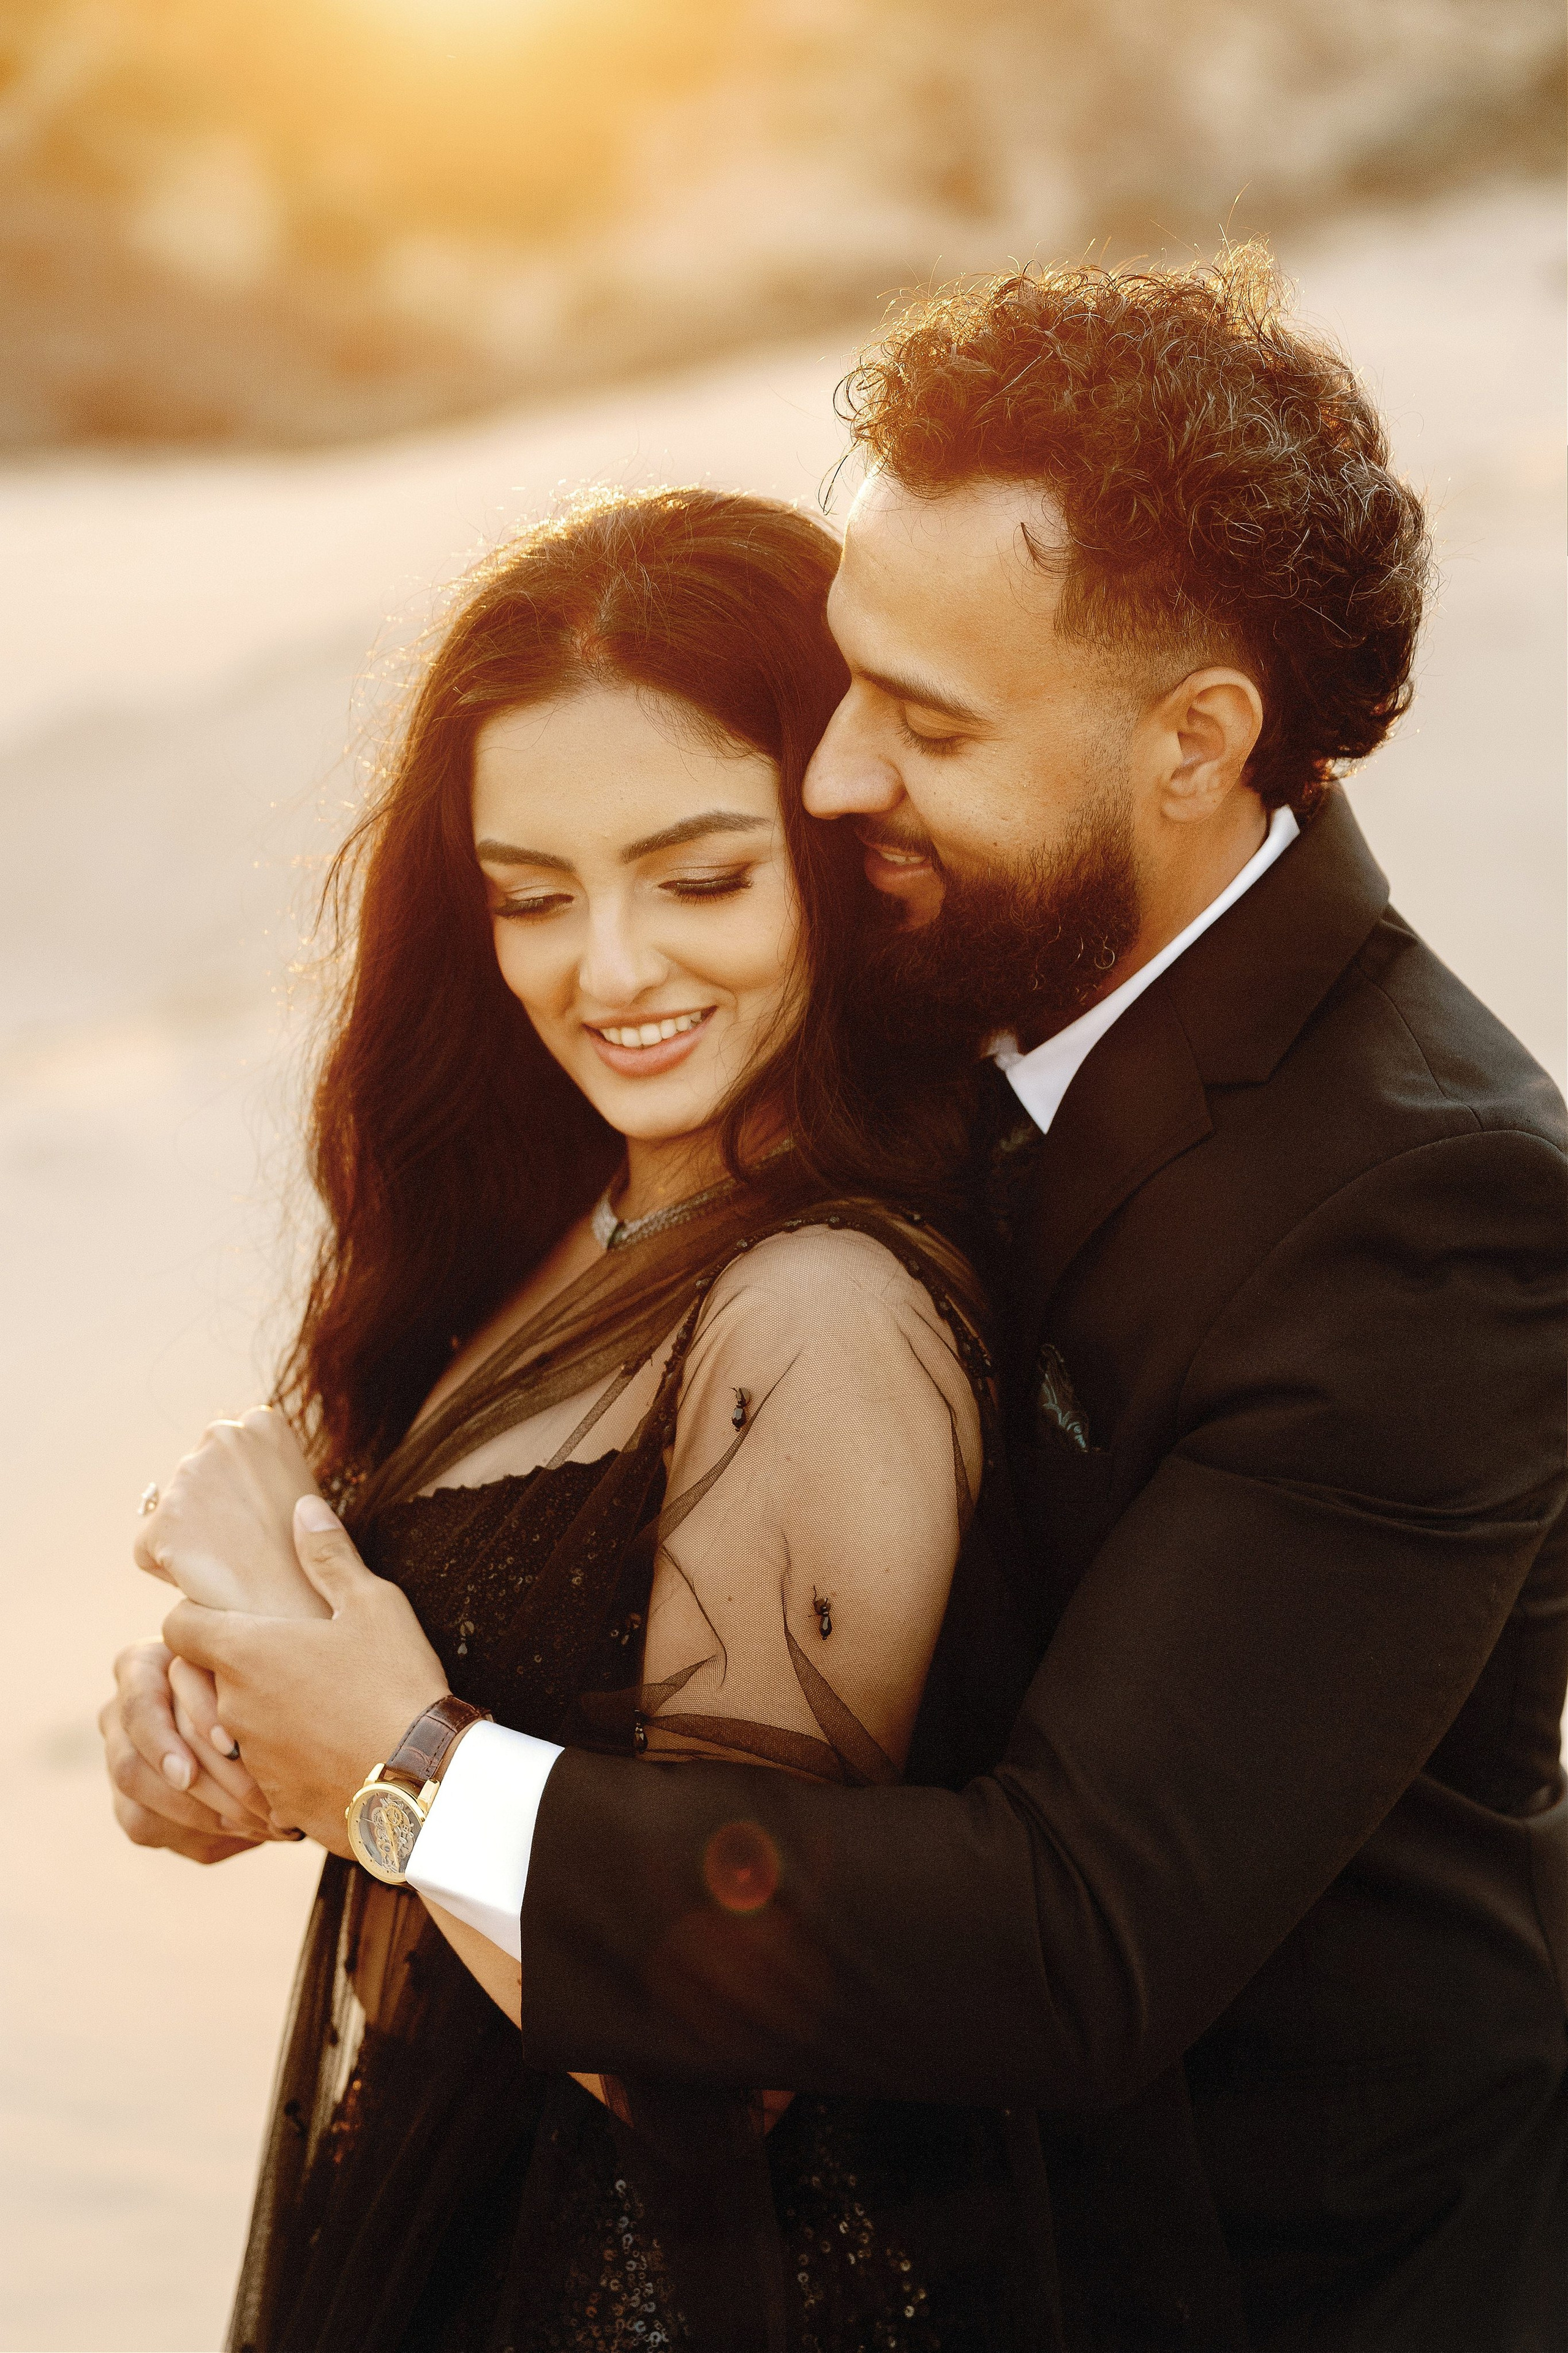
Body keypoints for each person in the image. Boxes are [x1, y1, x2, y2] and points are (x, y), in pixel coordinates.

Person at [113, 246, 1566, 2350]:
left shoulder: (1427, 1202)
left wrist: (406, 1771)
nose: (838, 775)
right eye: (851, 680)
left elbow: (1077, 1936)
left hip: (1266, 2286)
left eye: (928, 718)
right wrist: (262, 1724)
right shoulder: (959, 994)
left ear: (1194, 745)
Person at [108, 486, 1052, 2352]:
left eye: (702, 879)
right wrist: (231, 1725)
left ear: (847, 847)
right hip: (443, 2217)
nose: (607, 971)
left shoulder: (823, 1311)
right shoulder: (583, 1214)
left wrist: (371, 1757)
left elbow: (729, 2045)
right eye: (532, 897)